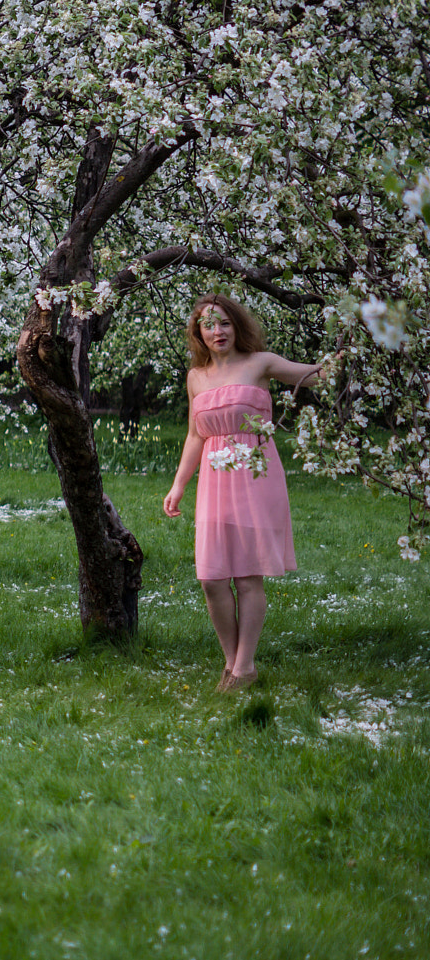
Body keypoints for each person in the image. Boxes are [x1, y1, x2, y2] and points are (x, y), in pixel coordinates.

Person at [163, 293, 323, 693]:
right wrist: (179, 485)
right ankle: (231, 662)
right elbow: (195, 434)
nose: (218, 331)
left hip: (255, 477)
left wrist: (354, 342)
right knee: (212, 578)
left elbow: (318, 374)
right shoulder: (196, 377)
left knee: (248, 576)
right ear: (198, 332)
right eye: (208, 324)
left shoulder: (260, 363)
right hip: (215, 482)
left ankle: (243, 668)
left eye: (225, 323)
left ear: (238, 326)